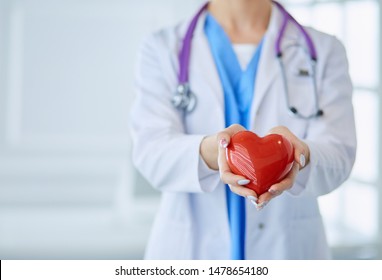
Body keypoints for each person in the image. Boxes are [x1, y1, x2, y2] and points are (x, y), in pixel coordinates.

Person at [130, 0, 356, 260]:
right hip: (189, 250)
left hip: (288, 249)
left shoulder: (325, 50)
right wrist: (213, 152)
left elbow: (339, 156)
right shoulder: (163, 48)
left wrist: (299, 155)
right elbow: (151, 153)